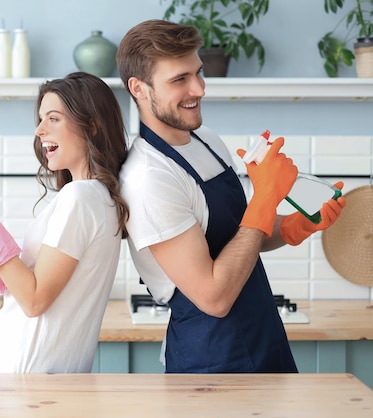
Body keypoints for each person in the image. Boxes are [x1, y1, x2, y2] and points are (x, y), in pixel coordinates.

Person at [115, 20, 346, 373]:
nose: (200, 89)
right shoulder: (149, 178)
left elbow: (240, 239)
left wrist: (296, 226)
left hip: (265, 337)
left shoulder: (205, 139)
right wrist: (265, 199)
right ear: (139, 89)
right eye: (180, 80)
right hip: (211, 361)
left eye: (198, 73)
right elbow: (214, 297)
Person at [0, 72, 129, 373]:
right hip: (33, 382)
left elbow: (34, 301)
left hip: (26, 383)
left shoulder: (80, 198)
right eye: (41, 118)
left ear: (92, 126)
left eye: (53, 118)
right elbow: (31, 288)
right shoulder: (97, 197)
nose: (39, 129)